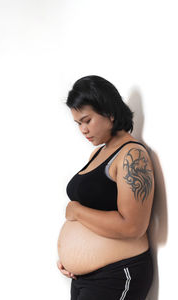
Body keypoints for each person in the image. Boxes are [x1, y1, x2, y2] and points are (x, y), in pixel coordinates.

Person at [57, 75, 154, 300]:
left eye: (87, 120)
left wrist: (76, 211)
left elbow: (133, 227)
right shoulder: (98, 153)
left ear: (109, 112)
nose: (82, 129)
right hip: (83, 278)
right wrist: (72, 258)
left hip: (116, 275)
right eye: (78, 123)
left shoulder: (132, 155)